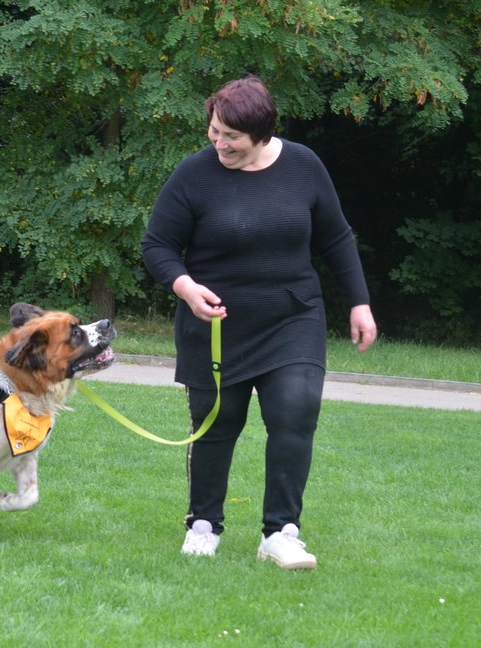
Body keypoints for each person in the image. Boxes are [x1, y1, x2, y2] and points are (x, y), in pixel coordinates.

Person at [140, 75, 377, 568]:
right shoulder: (195, 175)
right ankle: (203, 524)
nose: (220, 144)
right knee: (216, 424)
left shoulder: (304, 166)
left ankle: (281, 533)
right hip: (216, 324)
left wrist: (359, 302)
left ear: (262, 133)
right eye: (214, 133)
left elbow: (335, 238)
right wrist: (185, 287)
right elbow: (157, 245)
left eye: (231, 137)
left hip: (292, 316)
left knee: (296, 409)